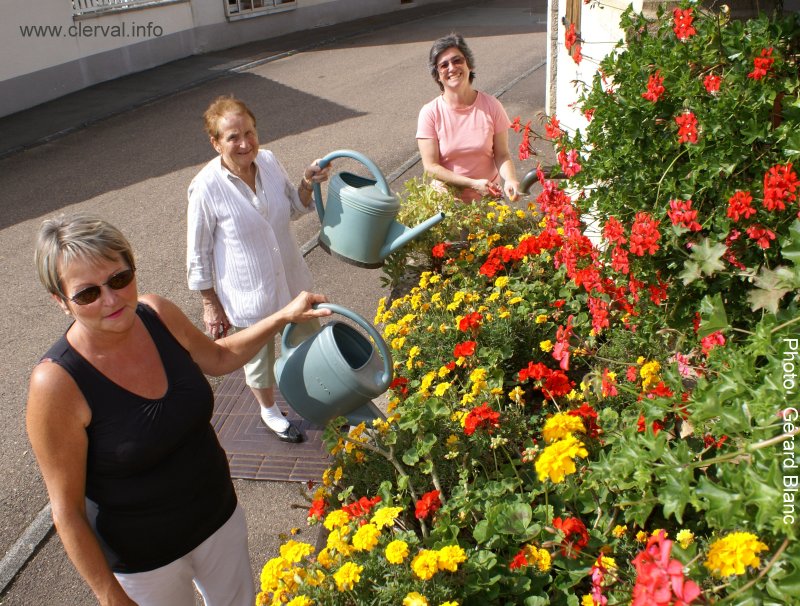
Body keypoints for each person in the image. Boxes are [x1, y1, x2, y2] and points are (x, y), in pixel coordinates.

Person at [26, 213, 331, 606]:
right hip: (144, 562)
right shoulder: (57, 384)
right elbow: (65, 511)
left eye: (119, 279)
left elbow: (219, 357)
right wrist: (110, 596)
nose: (112, 299)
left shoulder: (156, 314)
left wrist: (281, 317)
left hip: (218, 519)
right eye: (87, 294)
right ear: (61, 301)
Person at [186, 95, 331, 443]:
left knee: (311, 346)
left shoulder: (267, 160)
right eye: (233, 137)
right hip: (249, 294)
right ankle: (269, 410)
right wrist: (210, 304)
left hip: (292, 283)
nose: (245, 143)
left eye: (249, 132)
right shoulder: (205, 187)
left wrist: (308, 182)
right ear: (215, 142)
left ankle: (322, 400)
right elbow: (198, 252)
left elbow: (295, 207)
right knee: (259, 361)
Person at [416, 33, 520, 203]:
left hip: (489, 199)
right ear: (437, 74)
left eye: (457, 61)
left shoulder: (491, 105)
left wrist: (510, 179)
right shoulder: (430, 113)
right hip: (448, 203)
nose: (452, 68)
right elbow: (431, 167)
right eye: (444, 65)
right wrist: (472, 184)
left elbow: (502, 154)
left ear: (469, 65)